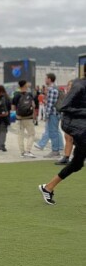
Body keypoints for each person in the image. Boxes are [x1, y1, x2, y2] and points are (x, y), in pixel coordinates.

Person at [39, 75, 86, 205]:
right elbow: (63, 106)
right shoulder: (79, 85)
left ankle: (48, 187)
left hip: (81, 129)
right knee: (77, 163)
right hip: (77, 128)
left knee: (77, 164)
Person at [34, 73, 63, 158]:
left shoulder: (51, 89)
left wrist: (46, 116)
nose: (45, 80)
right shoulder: (55, 88)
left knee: (53, 133)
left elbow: (50, 104)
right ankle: (57, 149)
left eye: (46, 78)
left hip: (52, 114)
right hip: (56, 113)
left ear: (50, 79)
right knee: (55, 132)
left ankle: (55, 151)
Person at [12, 80, 36, 158]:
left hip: (19, 118)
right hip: (29, 117)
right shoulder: (29, 94)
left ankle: (22, 153)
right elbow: (33, 105)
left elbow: (13, 108)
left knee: (20, 136)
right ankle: (28, 151)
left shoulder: (16, 95)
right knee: (31, 134)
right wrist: (34, 115)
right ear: (25, 85)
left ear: (19, 86)